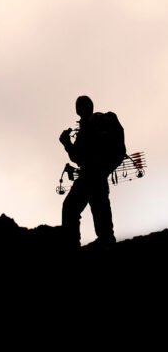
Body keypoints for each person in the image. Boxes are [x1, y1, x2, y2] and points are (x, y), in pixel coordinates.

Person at [59, 96, 119, 249]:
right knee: (99, 206)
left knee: (71, 208)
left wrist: (67, 143)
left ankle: (72, 245)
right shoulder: (93, 124)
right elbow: (78, 157)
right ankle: (106, 239)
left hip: (90, 173)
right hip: (98, 173)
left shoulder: (91, 124)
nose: (78, 108)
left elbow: (78, 156)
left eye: (79, 105)